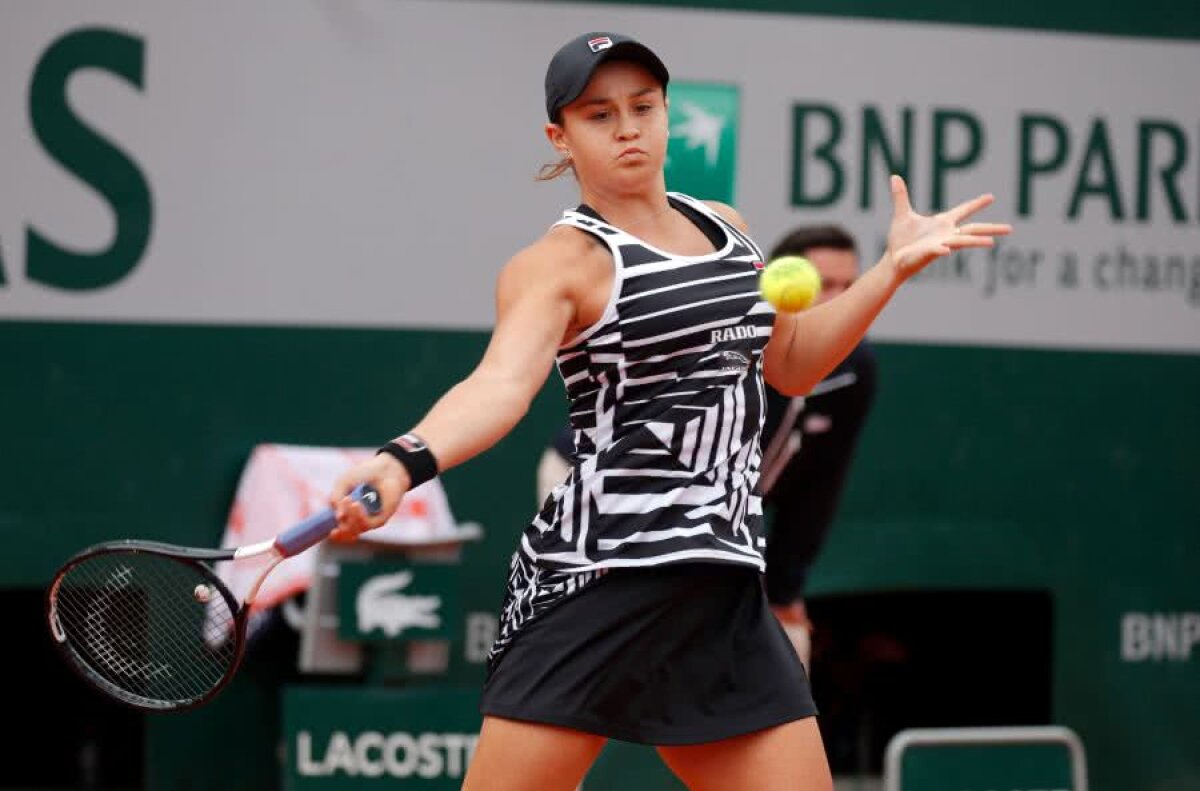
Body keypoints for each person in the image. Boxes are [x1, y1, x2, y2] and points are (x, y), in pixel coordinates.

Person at [326, 31, 1010, 791]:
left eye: (643, 108)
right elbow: (500, 386)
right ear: (561, 135)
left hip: (720, 585)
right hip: (599, 581)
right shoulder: (559, 265)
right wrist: (402, 460)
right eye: (599, 114)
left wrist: (890, 271)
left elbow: (791, 363)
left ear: (666, 113)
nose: (627, 129)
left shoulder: (728, 227)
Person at [759, 225, 877, 672]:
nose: (841, 298)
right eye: (824, 285)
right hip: (600, 489)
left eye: (850, 286)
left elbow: (821, 487)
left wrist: (784, 589)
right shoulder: (735, 347)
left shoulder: (855, 368)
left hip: (727, 532)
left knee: (790, 647)